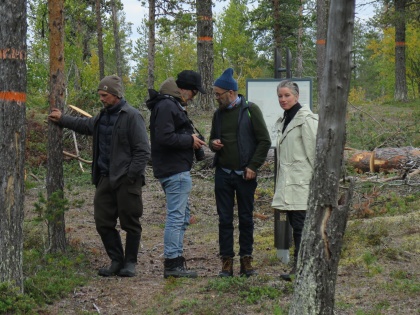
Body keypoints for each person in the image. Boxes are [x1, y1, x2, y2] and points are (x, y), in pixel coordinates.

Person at [48, 75, 150, 277]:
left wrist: (131, 176)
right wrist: (62, 119)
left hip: (127, 180)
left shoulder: (132, 116)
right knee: (102, 222)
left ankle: (130, 263)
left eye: (104, 95)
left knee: (130, 222)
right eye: (100, 95)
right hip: (104, 178)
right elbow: (85, 125)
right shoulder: (102, 117)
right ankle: (116, 261)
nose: (101, 99)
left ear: (115, 95)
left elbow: (143, 151)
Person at [209, 68, 271, 277]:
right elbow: (212, 139)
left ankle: (247, 260)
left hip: (245, 175)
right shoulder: (218, 114)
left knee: (246, 218)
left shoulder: (251, 110)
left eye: (219, 94)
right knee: (224, 219)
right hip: (223, 174)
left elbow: (264, 141)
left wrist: (253, 166)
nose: (217, 98)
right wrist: (213, 144)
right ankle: (227, 262)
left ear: (232, 92)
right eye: (216, 94)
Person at [146, 70, 206, 278]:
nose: (194, 97)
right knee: (176, 217)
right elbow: (164, 138)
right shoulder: (166, 105)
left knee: (182, 216)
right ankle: (172, 263)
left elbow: (169, 134)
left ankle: (176, 260)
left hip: (175, 169)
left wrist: (189, 137)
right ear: (184, 90)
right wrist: (190, 140)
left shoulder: (168, 105)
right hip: (174, 170)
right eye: (194, 92)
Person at [271, 80, 318, 281]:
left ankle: (302, 269)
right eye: (280, 96)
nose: (283, 99)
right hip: (289, 183)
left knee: (301, 227)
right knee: (295, 224)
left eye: (287, 95)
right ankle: (300, 267)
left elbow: (315, 153)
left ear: (297, 96)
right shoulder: (284, 120)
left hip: (302, 183)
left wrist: (318, 184)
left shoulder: (306, 120)